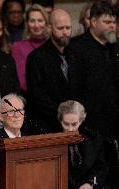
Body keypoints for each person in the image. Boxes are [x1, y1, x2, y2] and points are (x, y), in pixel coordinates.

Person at [68, 1, 119, 187]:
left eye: (113, 22)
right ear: (93, 21)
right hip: (91, 123)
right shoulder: (77, 47)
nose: (112, 26)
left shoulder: (114, 47)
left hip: (114, 121)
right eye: (107, 22)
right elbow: (75, 88)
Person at [26, 9, 72, 135]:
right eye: (60, 28)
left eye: (68, 28)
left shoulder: (77, 53)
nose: (65, 32)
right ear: (50, 28)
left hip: (76, 122)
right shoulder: (36, 58)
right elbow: (37, 95)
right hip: (48, 124)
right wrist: (62, 113)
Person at [58, 100, 109, 189]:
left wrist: (90, 183)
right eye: (66, 124)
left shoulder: (93, 139)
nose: (70, 129)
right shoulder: (53, 143)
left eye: (74, 124)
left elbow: (101, 168)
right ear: (60, 121)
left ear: (81, 121)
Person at [11, 4, 49, 97]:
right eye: (32, 21)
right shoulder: (18, 47)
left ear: (46, 23)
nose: (36, 25)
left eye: (40, 20)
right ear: (27, 23)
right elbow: (21, 81)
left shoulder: (52, 45)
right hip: (29, 98)